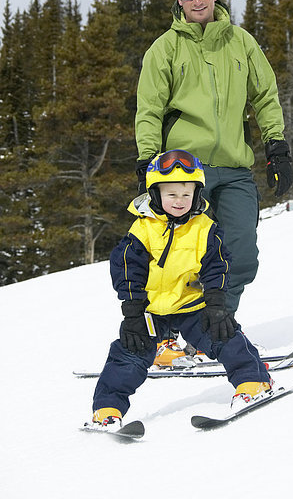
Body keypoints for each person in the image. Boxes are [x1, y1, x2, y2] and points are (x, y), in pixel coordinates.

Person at [135, 0, 293, 320]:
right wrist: (147, 159)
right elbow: (149, 110)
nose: (198, 1)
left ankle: (218, 326)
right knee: (184, 256)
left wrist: (276, 147)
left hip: (235, 168)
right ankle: (171, 333)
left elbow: (265, 96)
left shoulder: (241, 43)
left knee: (240, 253)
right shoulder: (165, 49)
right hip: (185, 170)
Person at [87, 150, 272, 431]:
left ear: (197, 194)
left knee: (225, 335)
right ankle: (107, 409)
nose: (179, 202)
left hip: (192, 305)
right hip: (150, 310)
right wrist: (133, 311)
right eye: (171, 195)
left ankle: (253, 381)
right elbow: (126, 270)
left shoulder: (205, 228)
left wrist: (217, 303)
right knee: (129, 353)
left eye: (186, 195)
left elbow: (217, 265)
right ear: (155, 194)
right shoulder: (142, 229)